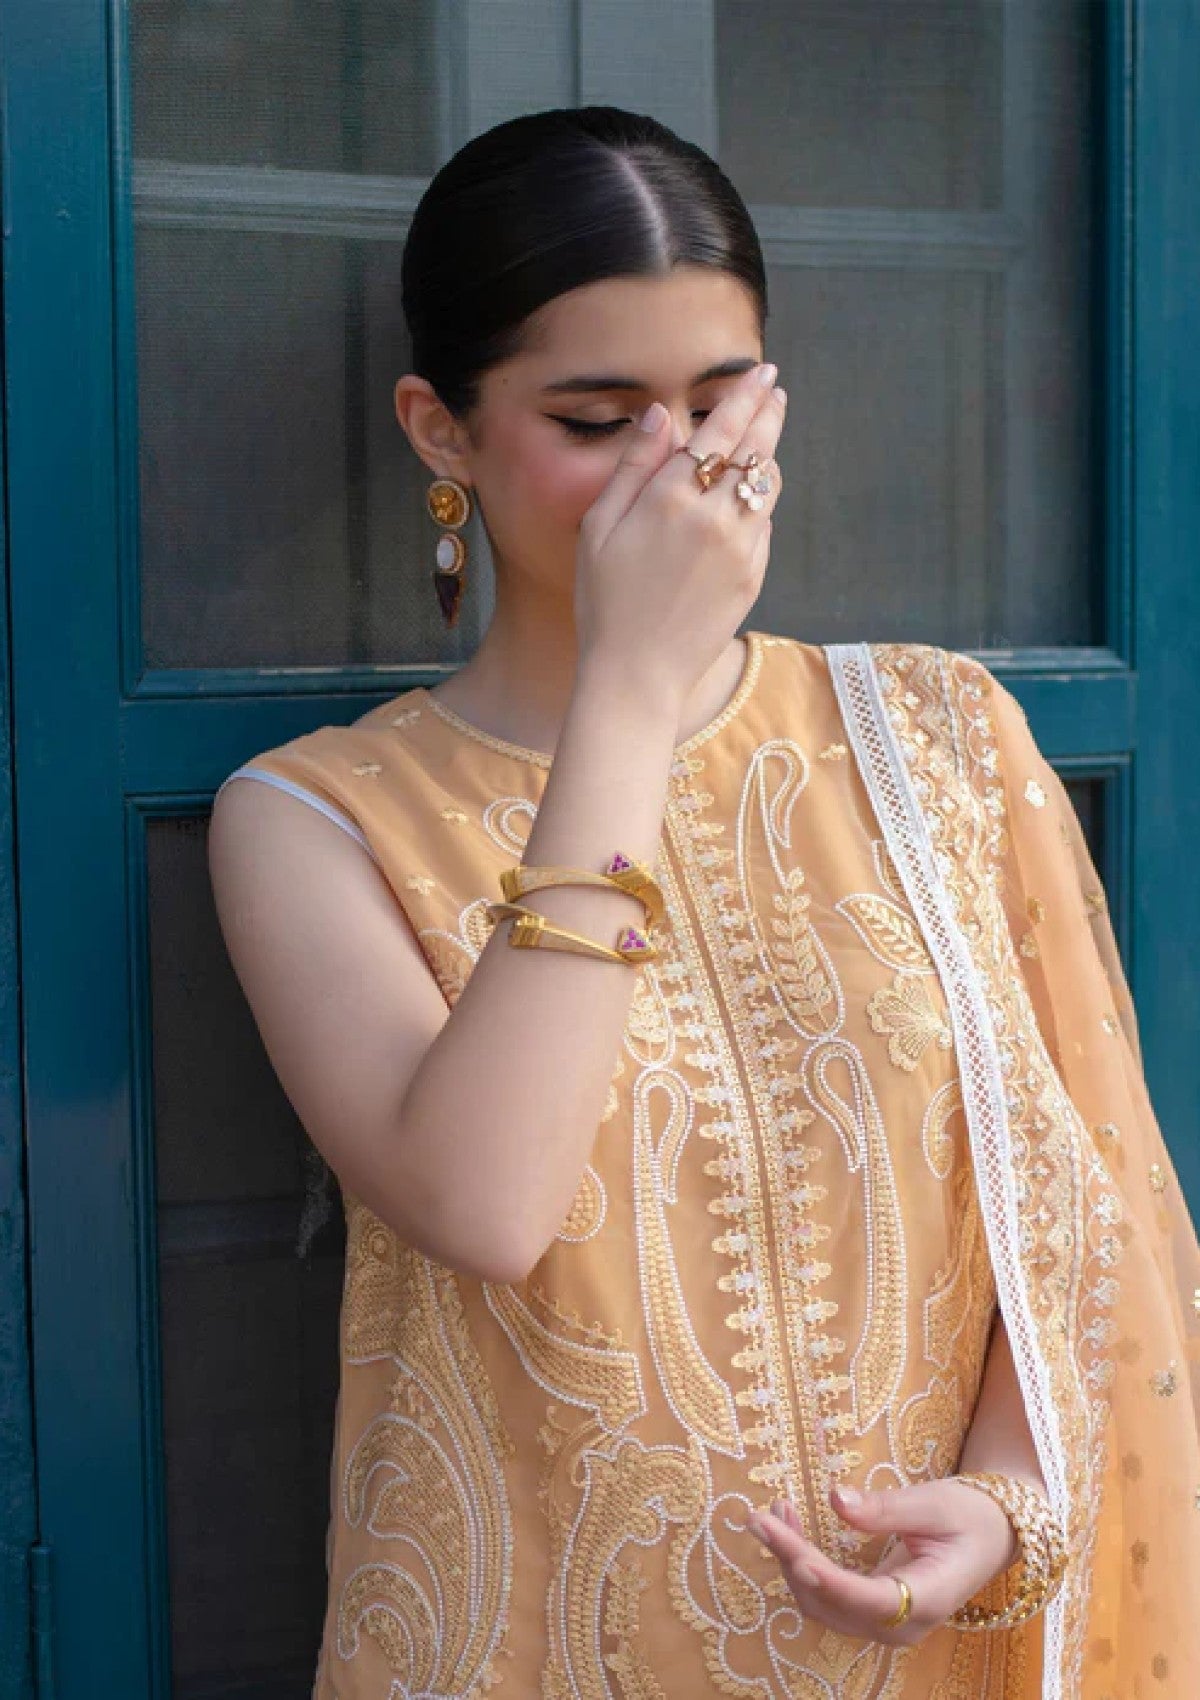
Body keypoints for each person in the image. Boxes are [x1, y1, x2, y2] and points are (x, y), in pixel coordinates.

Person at [207, 106, 1200, 1699]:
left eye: (721, 401)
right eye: (600, 418)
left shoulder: (936, 735)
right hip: (535, 1650)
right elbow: (488, 1203)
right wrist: (628, 684)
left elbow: (1076, 1204)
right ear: (442, 431)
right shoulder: (318, 818)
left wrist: (1010, 1498)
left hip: (930, 1648)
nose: (680, 466)